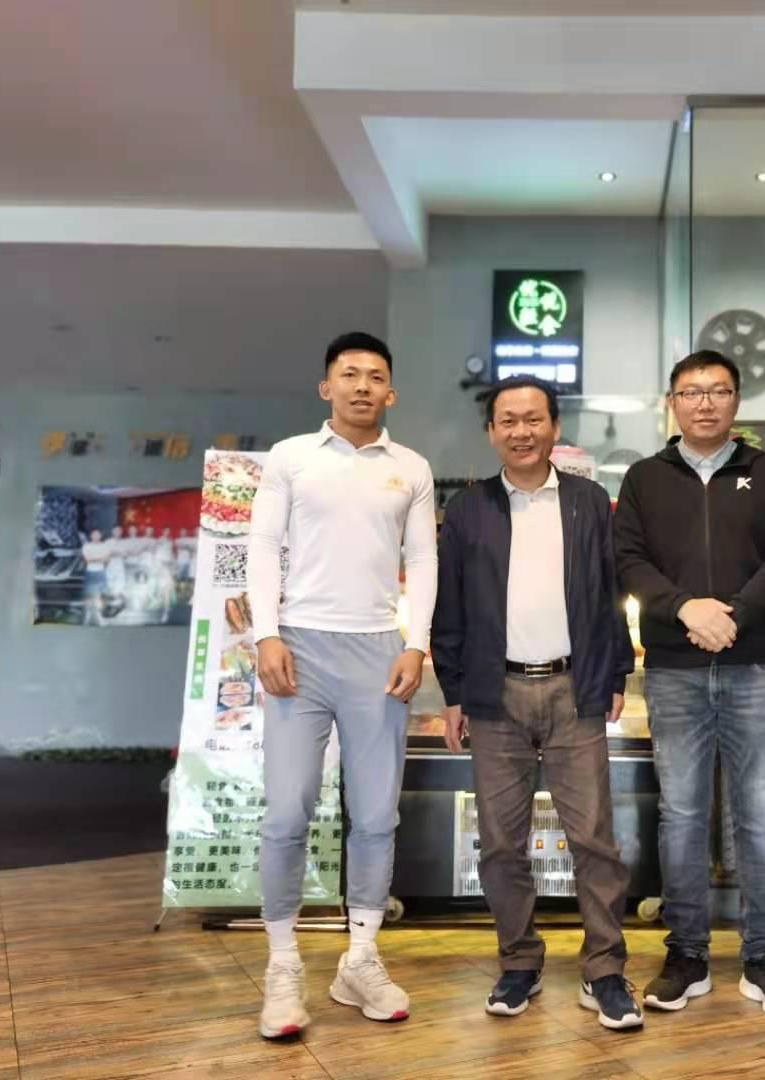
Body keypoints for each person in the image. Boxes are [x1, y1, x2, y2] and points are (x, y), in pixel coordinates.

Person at [431, 376, 642, 1032]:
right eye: (508, 420)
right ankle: (519, 960)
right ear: (491, 431)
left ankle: (604, 968)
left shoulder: (587, 501)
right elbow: (449, 607)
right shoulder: (468, 510)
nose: (521, 432)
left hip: (575, 690)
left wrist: (616, 672)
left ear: (554, 427)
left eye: (533, 419)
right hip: (494, 695)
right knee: (501, 844)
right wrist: (454, 693)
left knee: (595, 840)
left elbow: (610, 595)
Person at [248, 331, 437, 1039]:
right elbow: (262, 544)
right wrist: (266, 633)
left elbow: (424, 560)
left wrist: (415, 643)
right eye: (349, 374)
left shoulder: (411, 467)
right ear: (326, 387)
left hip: (378, 653)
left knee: (377, 816)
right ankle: (282, 966)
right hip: (298, 648)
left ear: (392, 392)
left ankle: (359, 960)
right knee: (286, 812)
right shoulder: (291, 456)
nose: (362, 386)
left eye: (375, 376)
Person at [614, 350, 765, 1021]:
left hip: (755, 664)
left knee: (762, 815)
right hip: (674, 666)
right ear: (672, 401)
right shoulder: (645, 477)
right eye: (692, 392)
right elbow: (628, 558)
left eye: (718, 391)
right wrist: (684, 610)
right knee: (682, 815)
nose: (705, 402)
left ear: (736, 401)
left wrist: (734, 615)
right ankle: (687, 954)